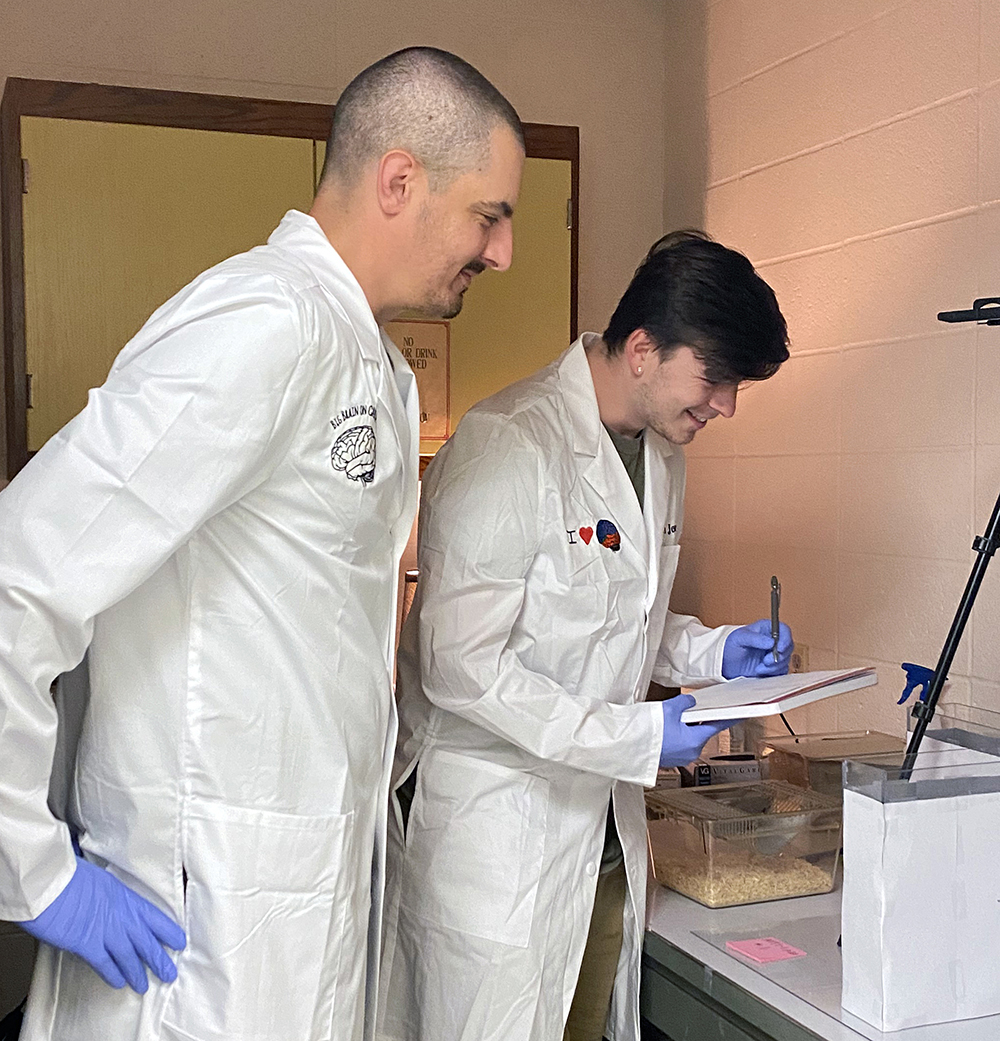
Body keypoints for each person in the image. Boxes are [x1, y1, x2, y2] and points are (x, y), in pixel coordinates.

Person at [0, 47, 523, 1041]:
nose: (501, 253)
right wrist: (32, 867)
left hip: (293, 914)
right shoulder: (264, 323)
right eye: (488, 215)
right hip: (193, 928)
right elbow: (19, 570)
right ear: (400, 180)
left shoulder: (368, 358)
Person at [376, 231, 793, 1041]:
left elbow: (616, 615)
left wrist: (715, 650)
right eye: (717, 379)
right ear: (643, 349)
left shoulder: (660, 457)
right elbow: (464, 668)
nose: (726, 406)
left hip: (602, 848)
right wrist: (641, 733)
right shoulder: (508, 443)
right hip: (501, 845)